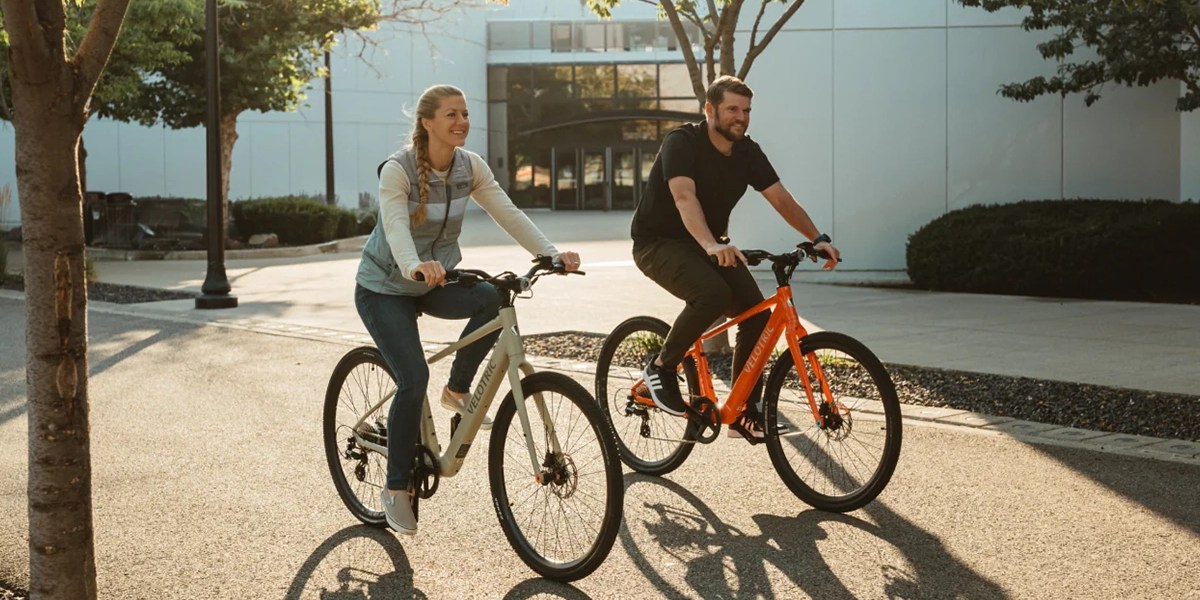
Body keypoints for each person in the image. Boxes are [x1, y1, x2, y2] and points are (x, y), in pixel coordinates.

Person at [355, 84, 581, 535]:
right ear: (427, 122)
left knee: (493, 295)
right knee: (413, 377)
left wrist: (551, 253)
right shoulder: (397, 170)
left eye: (464, 114)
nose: (461, 121)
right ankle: (396, 487)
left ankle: (457, 389)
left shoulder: (468, 166)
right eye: (450, 114)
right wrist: (414, 265)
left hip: (436, 280)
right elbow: (397, 227)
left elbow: (507, 211)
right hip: (385, 287)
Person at [631, 75, 840, 439]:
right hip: (658, 242)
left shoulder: (747, 152)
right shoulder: (681, 143)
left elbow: (781, 199)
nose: (740, 117)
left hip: (709, 244)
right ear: (709, 110)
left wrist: (817, 237)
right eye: (732, 109)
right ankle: (661, 367)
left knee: (755, 314)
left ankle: (743, 410)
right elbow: (684, 198)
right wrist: (712, 245)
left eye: (746, 110)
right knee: (711, 294)